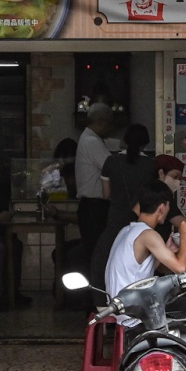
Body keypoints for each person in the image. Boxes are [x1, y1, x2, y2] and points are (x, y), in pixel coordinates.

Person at [104, 181, 186, 353]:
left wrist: (172, 251)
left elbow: (156, 268)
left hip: (122, 305)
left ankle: (180, 354)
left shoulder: (127, 231)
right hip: (137, 310)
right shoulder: (148, 234)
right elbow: (181, 269)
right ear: (163, 207)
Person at [91, 124, 159, 281]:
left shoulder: (111, 161)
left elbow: (106, 194)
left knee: (111, 257)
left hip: (115, 218)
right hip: (141, 221)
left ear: (125, 140)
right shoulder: (151, 165)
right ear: (146, 142)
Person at [74, 102, 114, 282]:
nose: (111, 128)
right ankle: (94, 304)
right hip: (94, 207)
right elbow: (113, 168)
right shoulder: (92, 142)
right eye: (109, 123)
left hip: (92, 207)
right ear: (101, 122)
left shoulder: (90, 140)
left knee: (95, 255)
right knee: (97, 257)